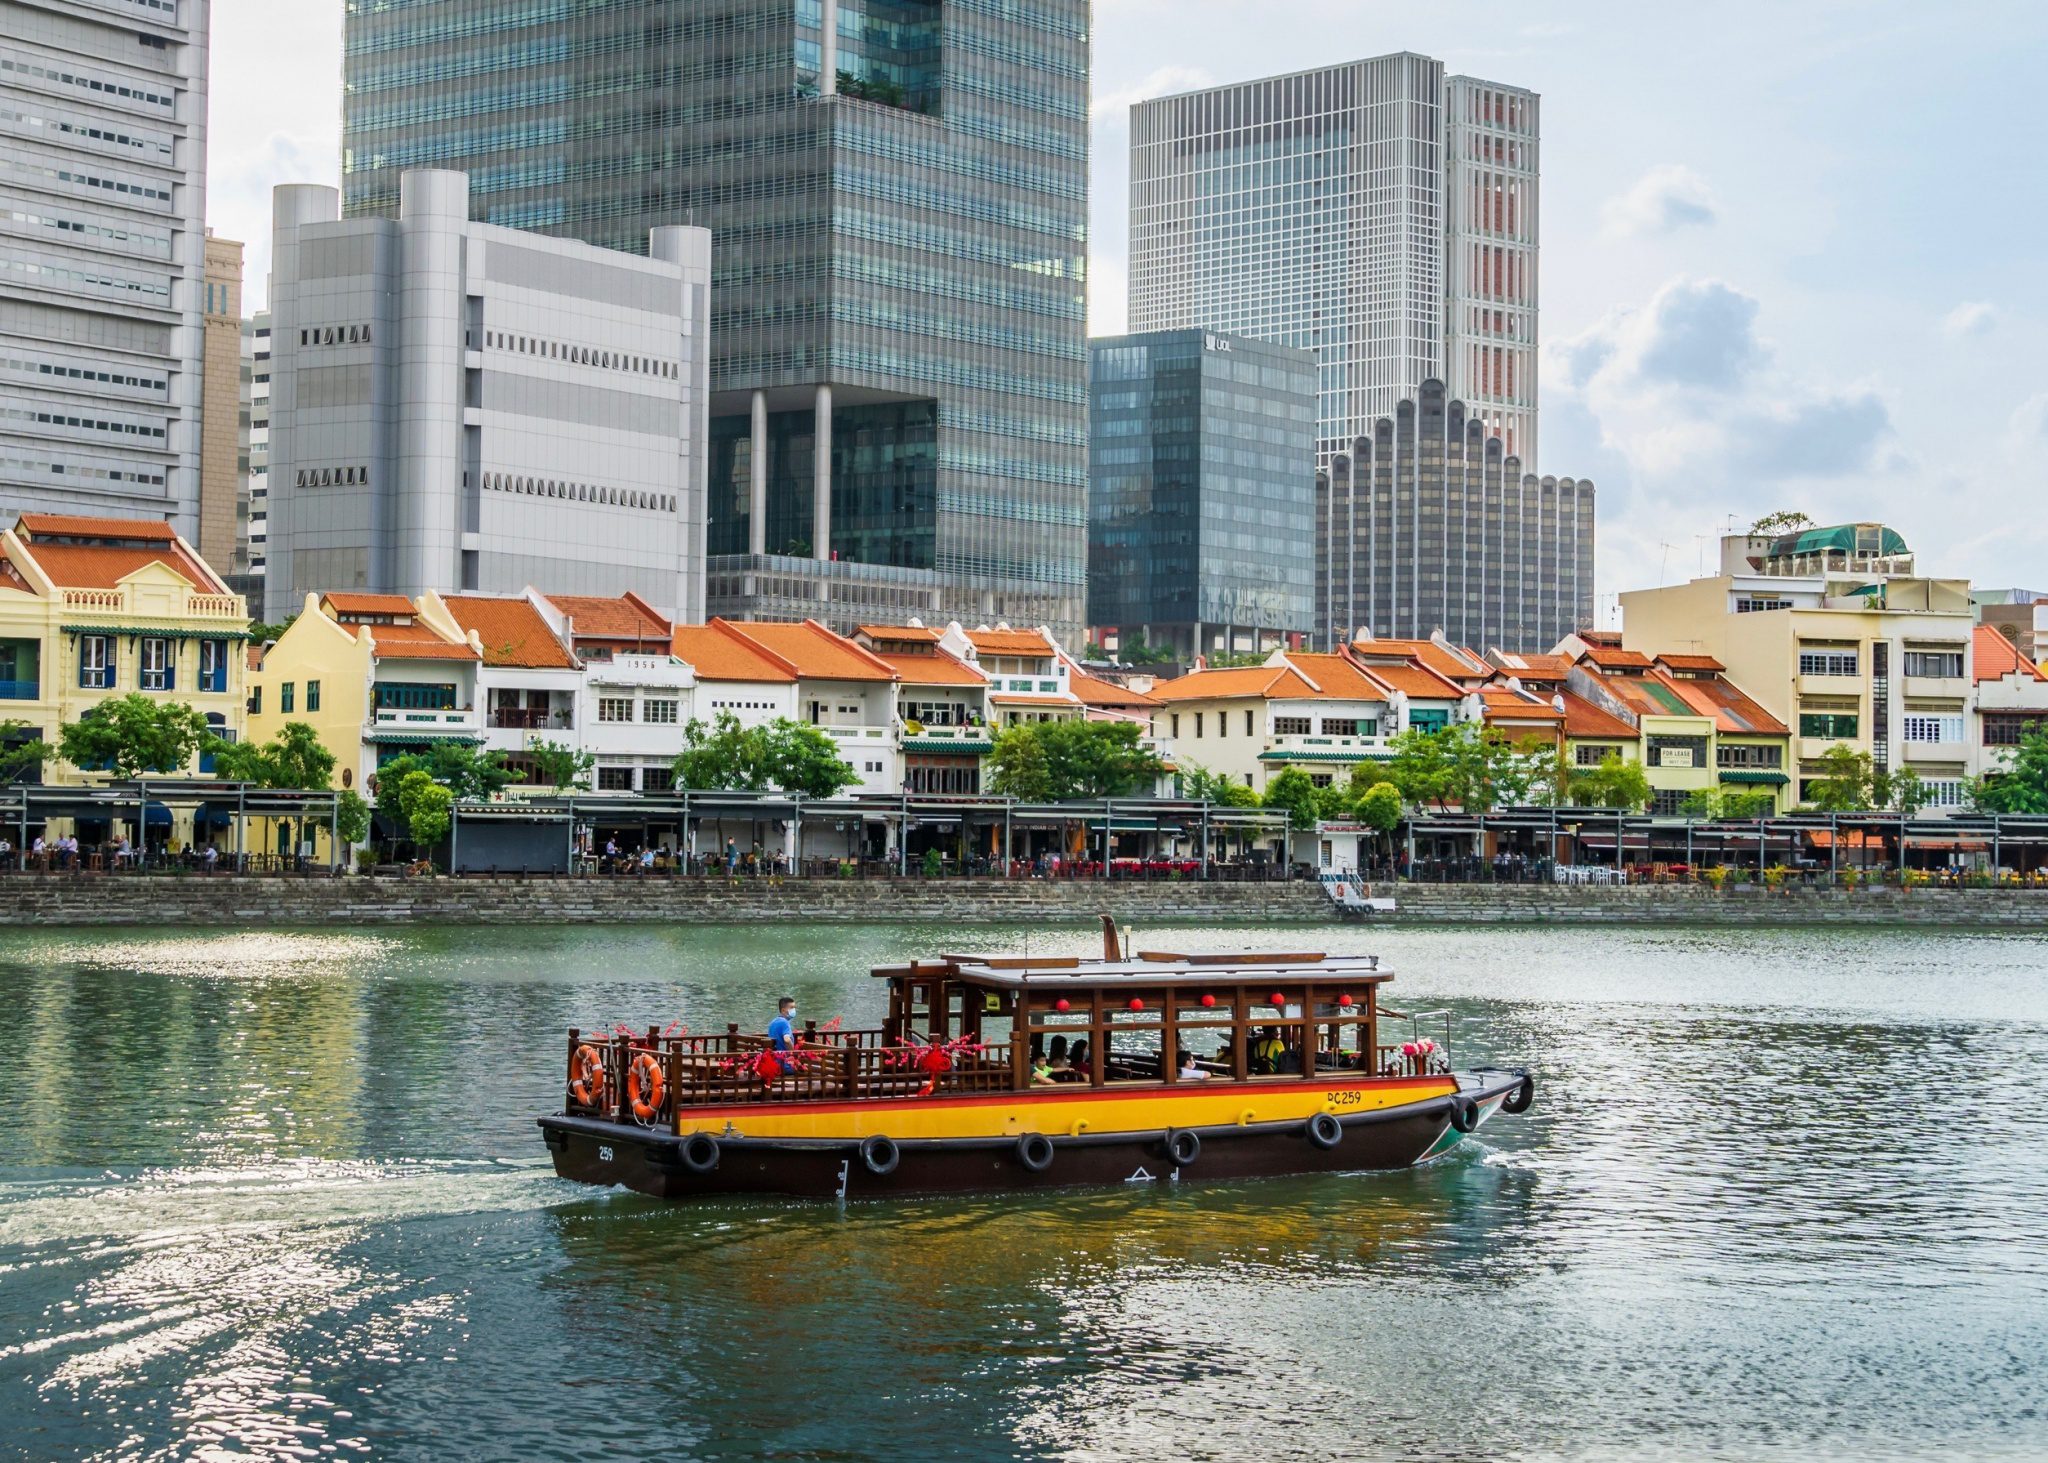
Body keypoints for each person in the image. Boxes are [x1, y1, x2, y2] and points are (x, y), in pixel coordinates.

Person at [768, 996, 798, 1073]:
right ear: (783, 1010)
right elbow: (787, 1040)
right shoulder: (785, 1023)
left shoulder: (773, 1022)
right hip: (785, 1065)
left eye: (794, 1007)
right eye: (791, 1008)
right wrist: (793, 1053)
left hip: (774, 1063)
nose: (794, 1010)